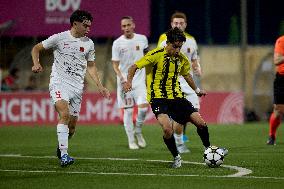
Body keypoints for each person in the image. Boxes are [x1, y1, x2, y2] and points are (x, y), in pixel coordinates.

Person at [124, 27, 215, 168]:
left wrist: (196, 90)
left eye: (180, 47)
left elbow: (187, 75)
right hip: (158, 98)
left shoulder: (182, 59)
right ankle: (176, 157)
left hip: (177, 97)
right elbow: (133, 67)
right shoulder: (155, 55)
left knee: (201, 123)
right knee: (167, 129)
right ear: (168, 43)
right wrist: (129, 82)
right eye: (175, 46)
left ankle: (209, 150)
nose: (178, 50)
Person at [31, 10, 110, 167]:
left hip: (77, 87)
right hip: (59, 82)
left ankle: (61, 148)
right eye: (85, 25)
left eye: (89, 26)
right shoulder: (59, 38)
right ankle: (65, 155)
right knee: (64, 114)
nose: (88, 29)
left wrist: (100, 86)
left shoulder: (89, 43)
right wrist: (36, 63)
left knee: (72, 128)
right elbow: (36, 48)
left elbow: (92, 66)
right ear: (75, 24)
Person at [157, 12, 202, 153]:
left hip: (188, 81)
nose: (178, 25)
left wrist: (197, 68)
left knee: (193, 111)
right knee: (181, 113)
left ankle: (179, 136)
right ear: (171, 24)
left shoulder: (191, 40)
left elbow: (194, 59)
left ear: (185, 25)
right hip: (172, 82)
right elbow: (158, 58)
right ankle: (179, 142)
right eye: (176, 23)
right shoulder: (164, 38)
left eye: (181, 23)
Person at [111, 16, 148, 149]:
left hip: (138, 80)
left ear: (133, 25)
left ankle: (138, 130)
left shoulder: (142, 39)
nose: (126, 28)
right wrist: (123, 80)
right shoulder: (117, 43)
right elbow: (115, 65)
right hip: (124, 82)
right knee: (128, 111)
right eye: (123, 26)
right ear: (122, 28)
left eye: (128, 25)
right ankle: (131, 140)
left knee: (143, 108)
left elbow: (147, 58)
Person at [267, 35, 284, 145]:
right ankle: (272, 135)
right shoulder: (281, 41)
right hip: (282, 79)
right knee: (278, 111)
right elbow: (276, 60)